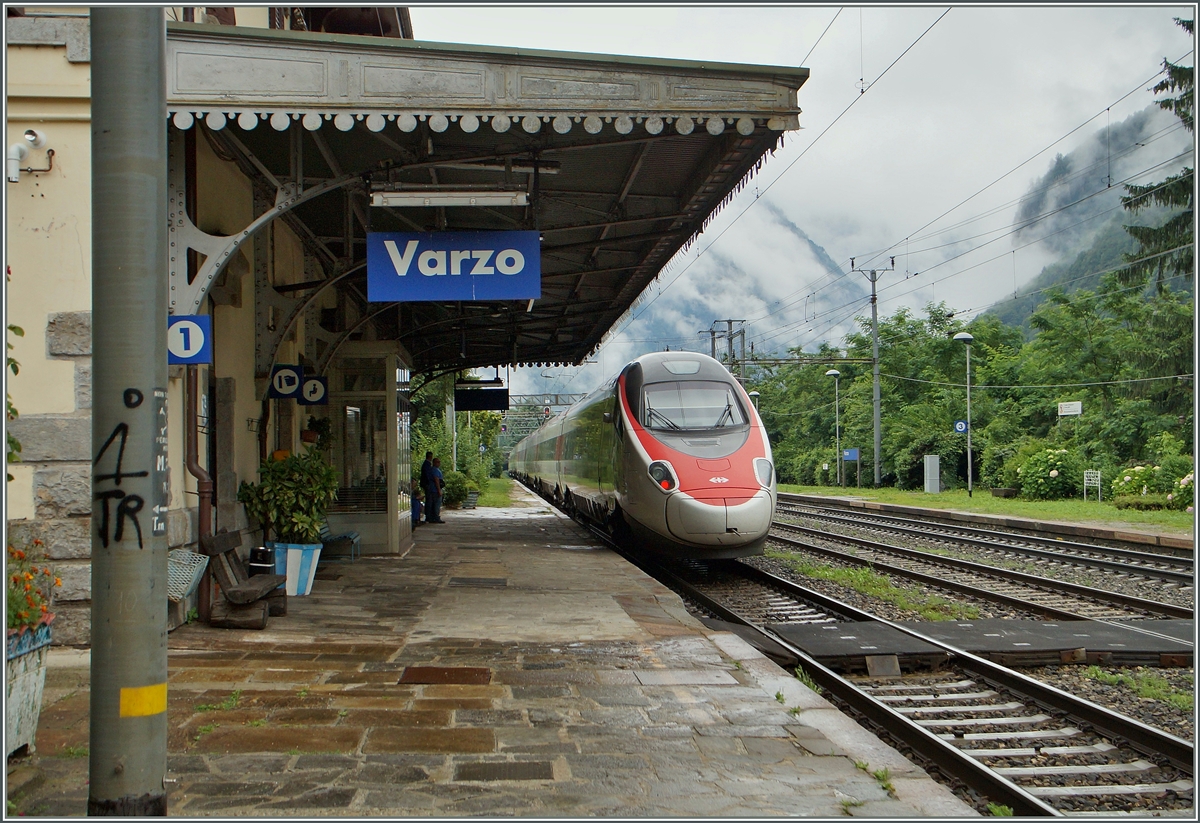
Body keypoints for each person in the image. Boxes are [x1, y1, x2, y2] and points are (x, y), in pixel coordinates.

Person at [427, 457, 445, 523]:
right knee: (436, 504)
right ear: (434, 463)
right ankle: (435, 517)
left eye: (439, 462)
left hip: (434, 490)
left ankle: (432, 517)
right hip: (435, 490)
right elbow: (436, 480)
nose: (439, 463)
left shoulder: (436, 470)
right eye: (437, 462)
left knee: (434, 504)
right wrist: (439, 490)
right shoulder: (434, 470)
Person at [419, 451, 435, 523]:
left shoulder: (425, 464)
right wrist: (430, 482)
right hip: (427, 484)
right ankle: (428, 516)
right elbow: (428, 475)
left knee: (429, 500)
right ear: (430, 457)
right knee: (429, 500)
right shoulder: (427, 464)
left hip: (425, 483)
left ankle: (428, 515)